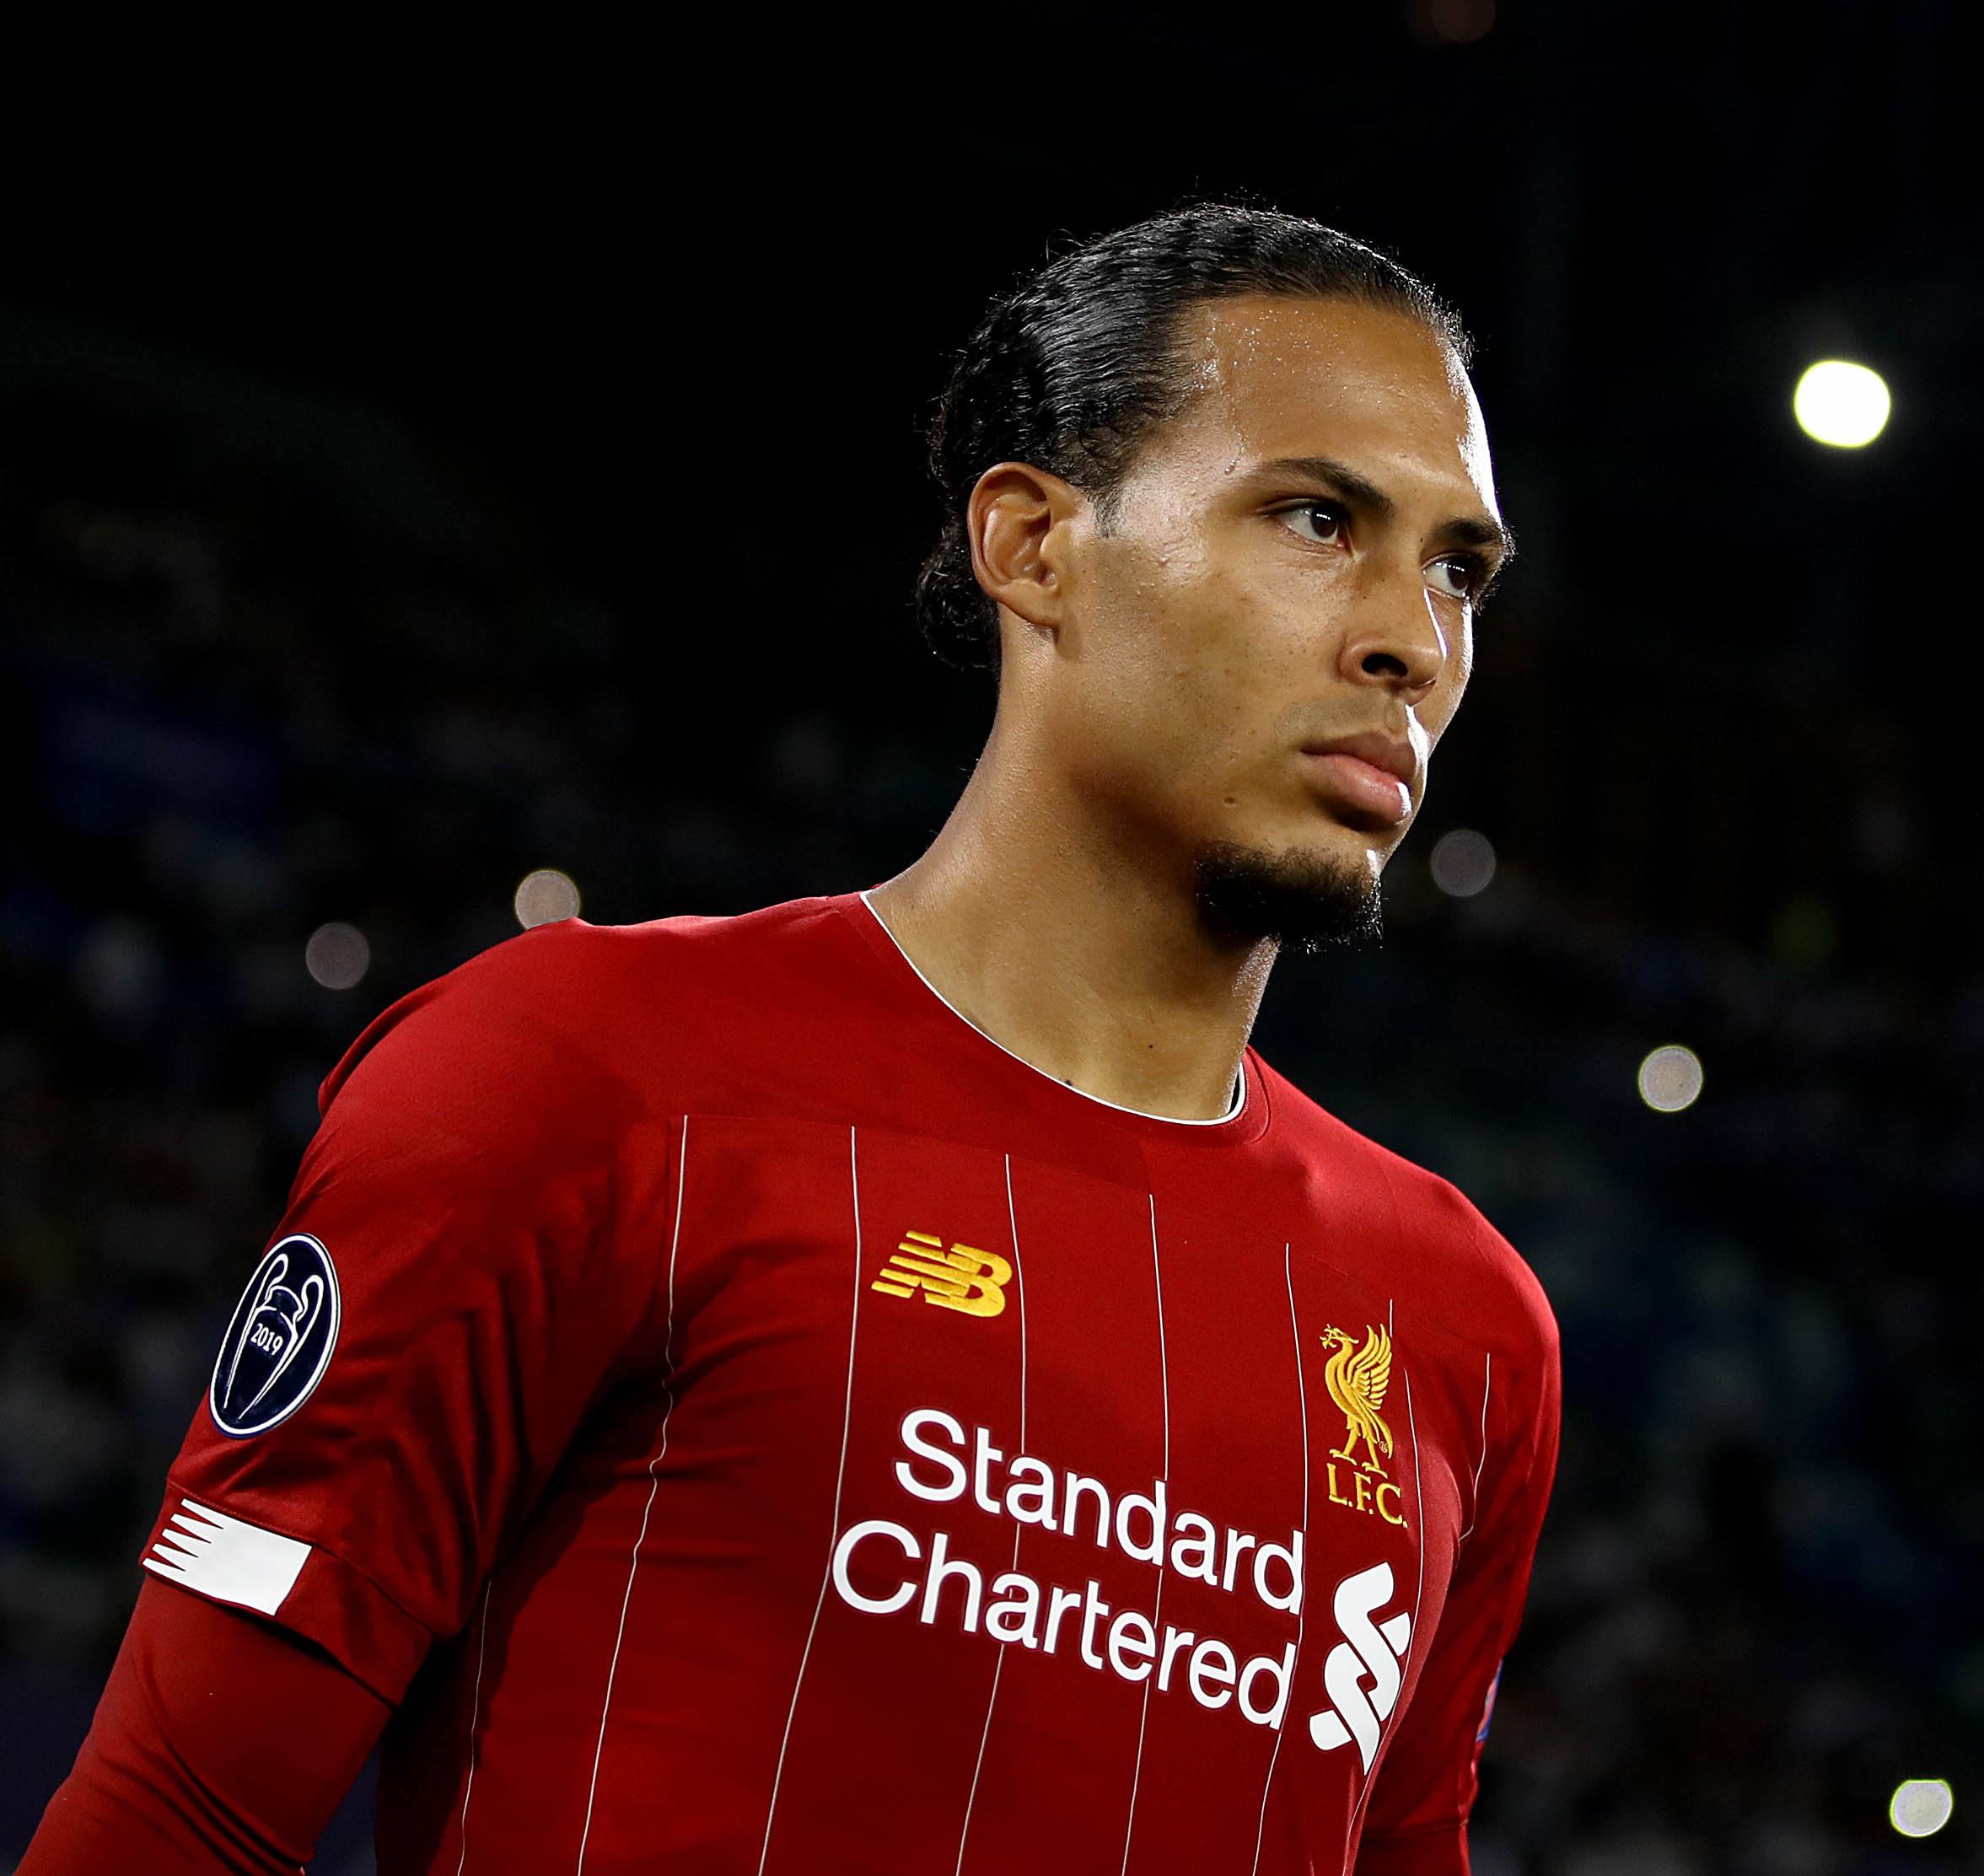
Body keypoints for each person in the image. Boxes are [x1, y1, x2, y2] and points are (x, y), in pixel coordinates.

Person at [23, 202, 1560, 1876]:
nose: (1413, 641)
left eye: (1458, 569)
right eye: (1319, 518)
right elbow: (178, 1818)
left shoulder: (1465, 1329)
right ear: (1033, 545)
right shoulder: (586, 1074)